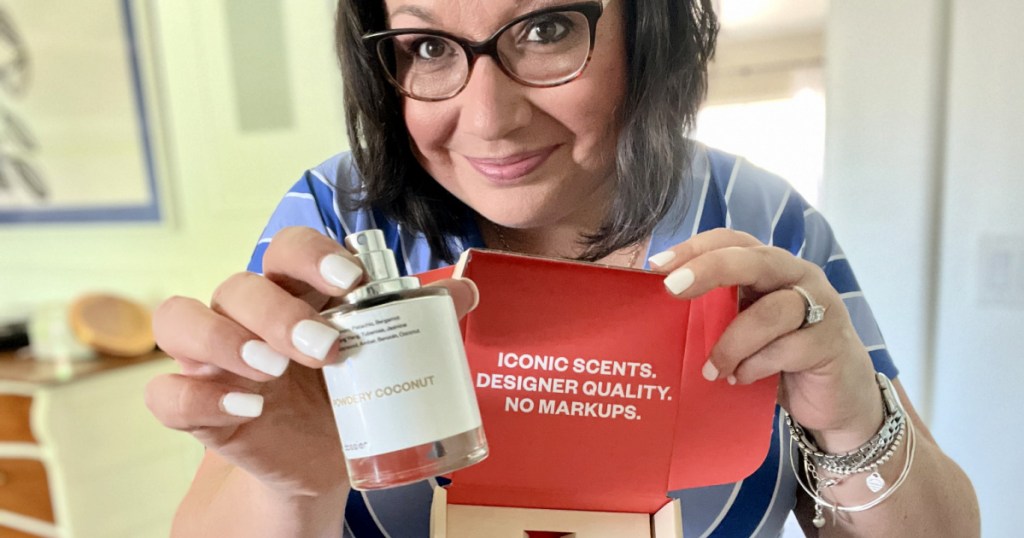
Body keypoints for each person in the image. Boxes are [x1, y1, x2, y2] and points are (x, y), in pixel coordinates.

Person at [145, 0, 981, 536]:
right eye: (429, 45)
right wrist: (291, 492)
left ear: (647, 29)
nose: (489, 118)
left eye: (545, 30)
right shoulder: (338, 224)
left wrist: (854, 422)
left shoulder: (761, 222)